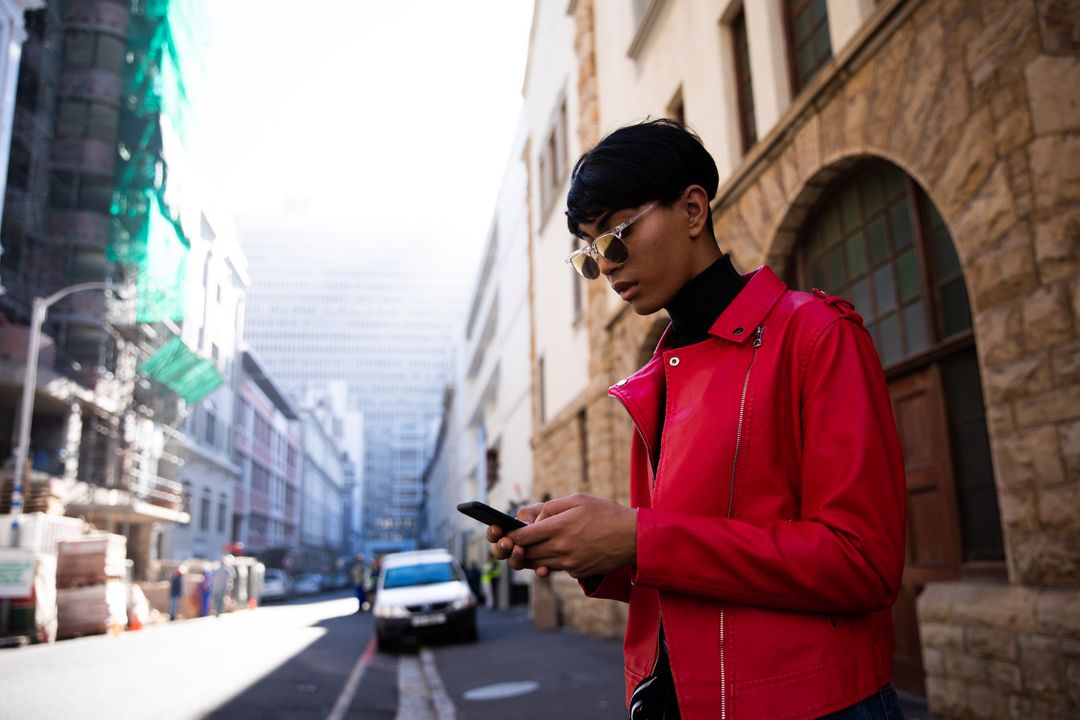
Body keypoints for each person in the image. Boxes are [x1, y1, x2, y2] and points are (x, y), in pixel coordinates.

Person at [488, 119, 907, 719]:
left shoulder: (814, 334)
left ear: (692, 208)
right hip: (673, 700)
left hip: (811, 705)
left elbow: (861, 562)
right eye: (588, 251)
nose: (604, 265)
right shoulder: (658, 376)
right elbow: (686, 568)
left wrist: (638, 535)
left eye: (615, 234)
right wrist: (581, 545)